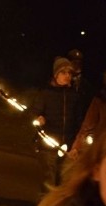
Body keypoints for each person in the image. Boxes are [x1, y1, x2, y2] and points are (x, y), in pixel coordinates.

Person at [30, 56, 80, 192]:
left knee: (63, 183)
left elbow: (78, 119)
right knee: (49, 183)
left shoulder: (74, 95)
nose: (67, 76)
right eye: (63, 72)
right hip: (48, 144)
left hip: (67, 146)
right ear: (56, 74)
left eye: (69, 73)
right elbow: (33, 112)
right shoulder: (46, 93)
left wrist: (76, 143)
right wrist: (39, 118)